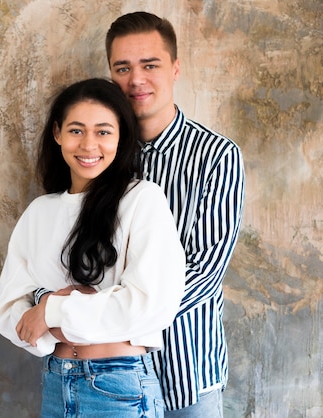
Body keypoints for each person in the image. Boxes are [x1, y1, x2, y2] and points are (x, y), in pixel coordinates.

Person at [0, 78, 186, 417]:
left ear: (121, 136)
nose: (89, 144)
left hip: (118, 386)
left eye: (104, 132)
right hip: (55, 382)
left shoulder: (143, 200)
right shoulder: (40, 212)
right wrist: (49, 306)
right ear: (57, 134)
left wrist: (49, 309)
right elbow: (8, 313)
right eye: (76, 130)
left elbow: (149, 305)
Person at [105, 11, 245, 417]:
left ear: (175, 68)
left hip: (186, 374)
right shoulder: (100, 156)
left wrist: (113, 317)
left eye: (150, 65)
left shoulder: (217, 156)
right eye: (123, 68)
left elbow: (205, 268)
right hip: (109, 376)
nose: (137, 80)